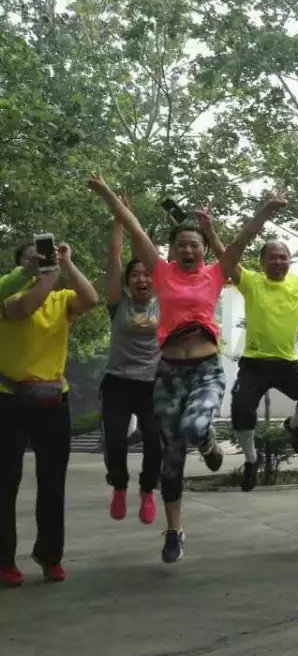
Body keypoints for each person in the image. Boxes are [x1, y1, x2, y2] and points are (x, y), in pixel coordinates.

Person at [89, 175, 283, 564]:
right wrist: (107, 192)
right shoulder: (161, 272)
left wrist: (267, 208)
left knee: (194, 426)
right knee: (171, 457)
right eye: (182, 245)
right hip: (167, 373)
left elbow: (245, 236)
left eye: (195, 244)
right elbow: (133, 227)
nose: (188, 249)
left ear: (203, 249)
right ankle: (174, 531)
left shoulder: (216, 272)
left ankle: (207, 441)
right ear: (173, 250)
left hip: (206, 368)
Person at [1, 240, 98, 586]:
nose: (42, 261)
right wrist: (43, 274)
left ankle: (49, 555)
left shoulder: (61, 300)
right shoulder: (8, 296)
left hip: (54, 399)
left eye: (45, 255)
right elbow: (24, 308)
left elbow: (91, 299)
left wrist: (67, 264)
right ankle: (4, 561)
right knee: (5, 482)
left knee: (53, 482)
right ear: (20, 266)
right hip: (9, 399)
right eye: (33, 258)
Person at [224, 216, 298, 492]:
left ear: (290, 261)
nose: (278, 262)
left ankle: (293, 426)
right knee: (241, 410)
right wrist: (208, 230)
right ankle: (251, 460)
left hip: (287, 364)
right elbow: (227, 259)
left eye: (283, 257)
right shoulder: (251, 281)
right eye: (273, 258)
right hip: (254, 364)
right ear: (262, 262)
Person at [101, 211, 162, 524]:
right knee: (114, 441)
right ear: (128, 282)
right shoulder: (118, 303)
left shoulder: (164, 303)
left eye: (147, 274)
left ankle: (148, 490)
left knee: (155, 440)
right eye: (135, 275)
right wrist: (119, 220)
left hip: (152, 384)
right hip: (118, 383)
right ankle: (120, 487)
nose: (142, 279)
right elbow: (114, 258)